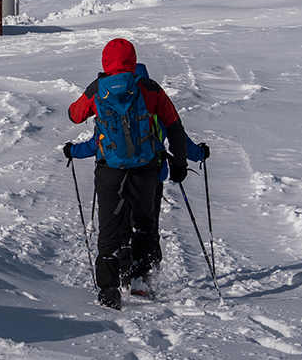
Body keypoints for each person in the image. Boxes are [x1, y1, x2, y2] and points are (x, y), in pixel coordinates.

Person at [63, 62, 210, 296]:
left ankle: (122, 274)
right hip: (151, 175)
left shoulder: (108, 99)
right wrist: (200, 154)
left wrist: (73, 151)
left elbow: (96, 144)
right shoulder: (150, 101)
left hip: (114, 173)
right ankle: (144, 276)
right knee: (147, 224)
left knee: (120, 226)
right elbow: (180, 137)